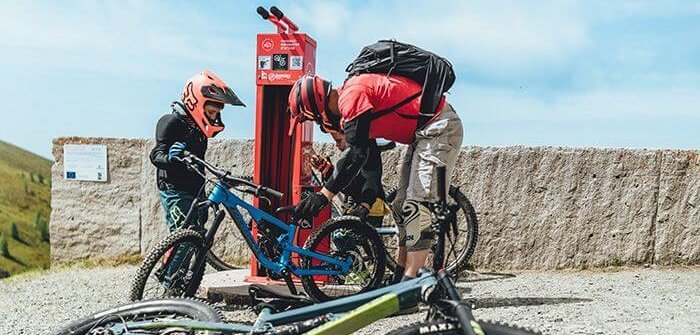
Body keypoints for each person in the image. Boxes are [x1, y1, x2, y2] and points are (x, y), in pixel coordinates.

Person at [288, 74, 463, 282]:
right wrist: (362, 201)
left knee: (416, 207)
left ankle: (411, 284)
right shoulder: (352, 110)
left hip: (438, 128)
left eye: (312, 118)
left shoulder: (352, 97)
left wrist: (324, 196)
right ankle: (400, 275)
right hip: (420, 135)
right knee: (399, 206)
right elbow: (367, 160)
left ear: (317, 109)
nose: (320, 125)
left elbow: (356, 155)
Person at [150, 69, 245, 237]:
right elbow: (156, 155)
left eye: (216, 113)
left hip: (196, 190)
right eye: (210, 112)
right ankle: (172, 264)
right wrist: (171, 159)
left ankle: (187, 264)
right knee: (182, 238)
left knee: (198, 238)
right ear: (196, 103)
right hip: (174, 190)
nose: (214, 117)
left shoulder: (200, 130)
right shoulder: (171, 121)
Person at [309, 132, 391, 225]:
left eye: (339, 141)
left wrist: (328, 171)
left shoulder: (363, 154)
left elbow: (351, 187)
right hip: (366, 206)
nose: (337, 145)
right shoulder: (357, 155)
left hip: (370, 208)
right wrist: (327, 170)